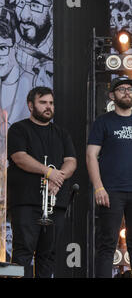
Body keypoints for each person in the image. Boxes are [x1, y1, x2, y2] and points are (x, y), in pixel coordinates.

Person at [86, 75, 132, 278]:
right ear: (112, 95)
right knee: (107, 244)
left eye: (130, 89)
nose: (127, 93)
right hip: (111, 191)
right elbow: (91, 155)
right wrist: (99, 187)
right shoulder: (103, 122)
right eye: (121, 90)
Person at [7, 86, 77, 278]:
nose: (48, 107)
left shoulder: (62, 133)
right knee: (22, 253)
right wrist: (49, 173)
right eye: (43, 102)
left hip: (55, 204)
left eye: (51, 103)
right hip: (26, 202)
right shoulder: (18, 129)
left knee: (48, 256)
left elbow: (71, 161)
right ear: (31, 105)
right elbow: (19, 157)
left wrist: (59, 176)